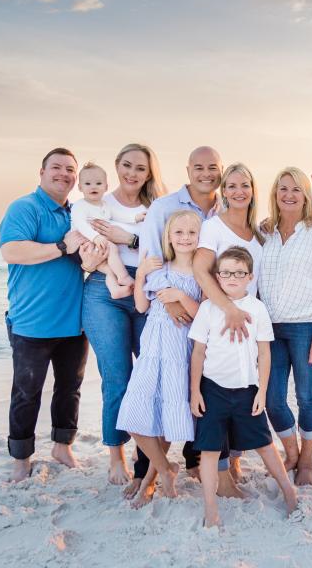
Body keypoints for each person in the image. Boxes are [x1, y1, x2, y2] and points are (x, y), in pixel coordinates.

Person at [131, 146, 241, 496]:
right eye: (199, 167)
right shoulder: (164, 209)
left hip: (199, 327)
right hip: (165, 324)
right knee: (150, 402)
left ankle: (194, 466)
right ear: (188, 169)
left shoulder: (224, 210)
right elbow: (151, 260)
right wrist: (171, 299)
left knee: (194, 400)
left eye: (213, 167)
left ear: (221, 171)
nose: (206, 173)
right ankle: (152, 472)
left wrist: (190, 302)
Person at [0, 148, 107, 482]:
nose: (63, 174)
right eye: (56, 167)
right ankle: (21, 458)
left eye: (69, 169)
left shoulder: (76, 214)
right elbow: (12, 250)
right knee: (26, 391)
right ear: (42, 172)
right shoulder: (25, 207)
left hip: (74, 322)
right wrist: (61, 247)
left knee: (69, 388)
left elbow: (89, 256)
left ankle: (62, 447)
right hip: (32, 323)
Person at [189, 247, 298, 527]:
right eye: (225, 273)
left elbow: (264, 353)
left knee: (264, 443)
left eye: (239, 273)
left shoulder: (257, 308)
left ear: (250, 276)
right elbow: (198, 353)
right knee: (210, 450)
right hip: (212, 389)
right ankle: (211, 510)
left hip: (247, 390)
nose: (232, 278)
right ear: (217, 276)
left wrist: (262, 390)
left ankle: (289, 491)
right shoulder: (208, 308)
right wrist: (195, 391)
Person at [80, 144, 166, 488]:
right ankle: (115, 455)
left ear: (149, 173)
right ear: (116, 166)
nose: (132, 173)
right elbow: (83, 242)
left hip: (146, 293)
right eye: (127, 165)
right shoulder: (99, 201)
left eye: (140, 168)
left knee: (150, 377)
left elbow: (167, 247)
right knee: (117, 378)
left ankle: (146, 458)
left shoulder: (156, 208)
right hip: (104, 293)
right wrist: (90, 258)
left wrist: (128, 237)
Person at [117, 210, 203, 506]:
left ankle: (152, 480)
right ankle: (167, 468)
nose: (185, 238)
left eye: (191, 233)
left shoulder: (201, 273)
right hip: (153, 349)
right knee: (133, 416)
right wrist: (140, 274)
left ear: (199, 236)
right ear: (168, 236)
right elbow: (141, 307)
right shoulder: (159, 268)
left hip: (180, 351)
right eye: (178, 233)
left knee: (164, 421)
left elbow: (202, 317)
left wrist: (178, 295)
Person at [259, 167, 312, 486]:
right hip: (270, 329)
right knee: (272, 399)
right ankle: (290, 451)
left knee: (307, 396)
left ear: (306, 195)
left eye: (296, 189)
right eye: (283, 189)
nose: (289, 195)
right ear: (275, 194)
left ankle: (306, 459)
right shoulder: (264, 233)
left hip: (307, 328)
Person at [192, 162, 266, 486]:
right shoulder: (213, 227)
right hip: (222, 322)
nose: (239, 191)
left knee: (244, 391)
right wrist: (228, 311)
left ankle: (235, 461)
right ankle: (220, 474)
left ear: (253, 190)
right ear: (223, 191)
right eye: (232, 186)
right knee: (219, 394)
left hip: (250, 322)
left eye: (244, 185)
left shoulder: (260, 233)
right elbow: (200, 271)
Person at [70, 162, 146, 299]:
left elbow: (118, 216)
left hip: (96, 244)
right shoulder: (80, 206)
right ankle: (123, 277)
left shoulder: (105, 205)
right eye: (88, 184)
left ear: (106, 186)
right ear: (80, 187)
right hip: (85, 244)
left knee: (109, 270)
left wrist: (135, 218)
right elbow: (80, 224)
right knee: (112, 248)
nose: (93, 187)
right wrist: (95, 237)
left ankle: (115, 289)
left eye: (98, 183)